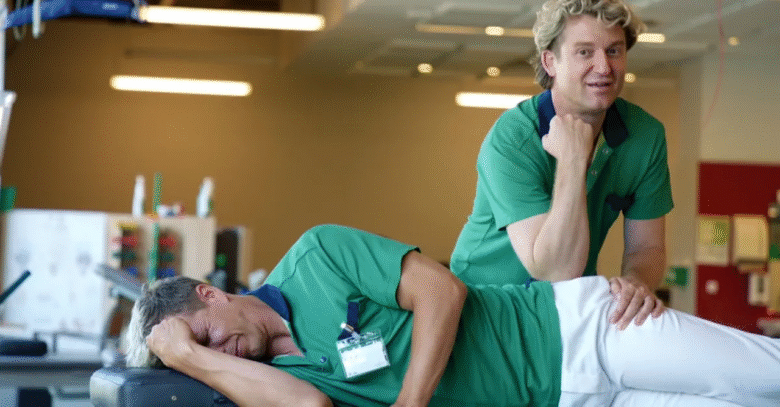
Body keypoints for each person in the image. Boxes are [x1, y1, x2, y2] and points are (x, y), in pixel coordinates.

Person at [127, 224, 780, 407]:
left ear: (209, 294)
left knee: (766, 377)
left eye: (208, 334)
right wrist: (188, 355)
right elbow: (309, 405)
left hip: (584, 334)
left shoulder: (315, 256)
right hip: (563, 401)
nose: (222, 352)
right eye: (205, 353)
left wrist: (410, 404)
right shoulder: (269, 380)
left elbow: (441, 290)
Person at [450, 0, 673, 330]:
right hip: (481, 303)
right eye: (585, 52)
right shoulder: (513, 137)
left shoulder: (645, 135)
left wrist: (636, 283)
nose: (604, 67)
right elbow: (554, 269)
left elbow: (647, 246)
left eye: (614, 51)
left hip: (564, 305)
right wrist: (572, 160)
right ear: (550, 62)